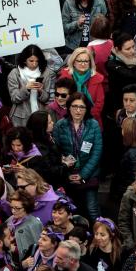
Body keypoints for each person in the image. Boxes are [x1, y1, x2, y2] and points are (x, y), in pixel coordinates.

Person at [54, 92, 102, 220]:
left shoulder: (93, 124)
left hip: (89, 173)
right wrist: (67, 173)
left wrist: (83, 174)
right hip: (67, 173)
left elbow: (97, 152)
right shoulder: (60, 125)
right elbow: (56, 151)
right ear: (69, 107)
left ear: (87, 109)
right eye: (75, 106)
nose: (78, 110)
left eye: (82, 107)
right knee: (71, 209)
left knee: (92, 209)